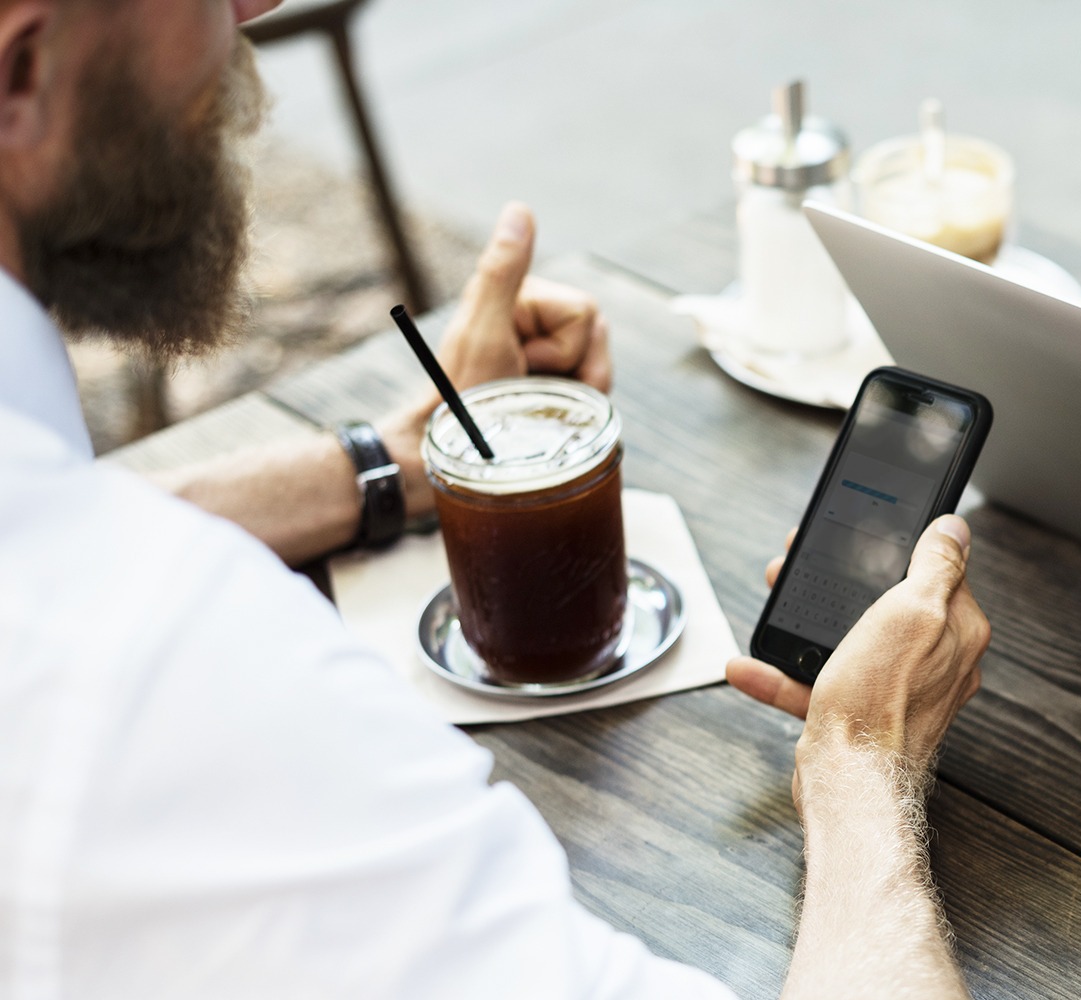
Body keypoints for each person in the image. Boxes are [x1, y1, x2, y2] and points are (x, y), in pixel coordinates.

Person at [0, 2, 988, 997]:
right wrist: (863, 760)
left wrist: (389, 465)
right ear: (22, 71)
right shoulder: (170, 677)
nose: (258, 5)